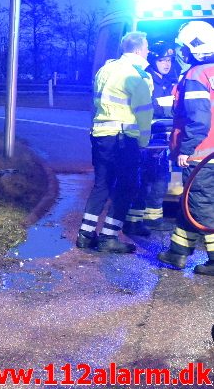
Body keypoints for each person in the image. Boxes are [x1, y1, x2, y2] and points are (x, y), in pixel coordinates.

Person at [76, 31, 153, 253]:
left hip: (100, 134)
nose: (148, 51)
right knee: (127, 186)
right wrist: (143, 142)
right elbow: (144, 112)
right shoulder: (134, 76)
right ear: (138, 50)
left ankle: (85, 234)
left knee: (102, 184)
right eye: (146, 47)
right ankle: (109, 236)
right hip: (123, 138)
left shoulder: (105, 69)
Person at [158, 21, 214, 275]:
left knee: (201, 204)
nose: (180, 54)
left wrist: (186, 149)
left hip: (201, 153)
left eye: (183, 48)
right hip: (210, 153)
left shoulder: (195, 76)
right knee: (189, 202)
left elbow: (199, 120)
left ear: (194, 48)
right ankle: (178, 252)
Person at [124, 42, 177, 235]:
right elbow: (146, 107)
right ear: (153, 60)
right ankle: (133, 220)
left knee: (160, 177)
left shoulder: (169, 81)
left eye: (169, 60)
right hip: (149, 136)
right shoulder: (147, 80)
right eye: (162, 60)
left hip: (163, 136)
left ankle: (153, 218)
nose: (166, 64)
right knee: (144, 179)